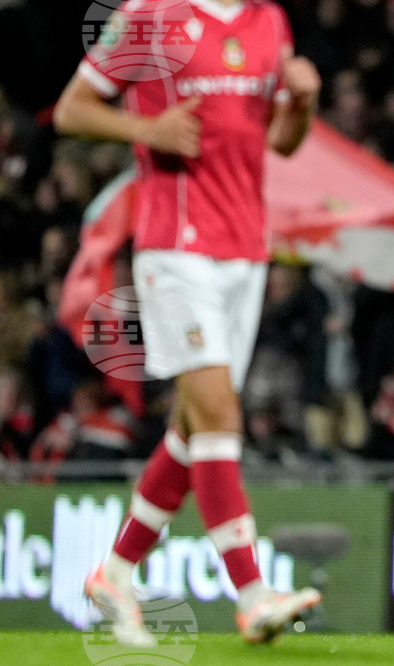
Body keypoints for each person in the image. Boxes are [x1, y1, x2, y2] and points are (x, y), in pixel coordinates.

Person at [53, 0, 322, 646]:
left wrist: (305, 103)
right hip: (176, 248)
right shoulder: (149, 15)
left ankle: (115, 573)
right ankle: (253, 595)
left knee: (193, 425)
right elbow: (71, 110)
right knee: (220, 413)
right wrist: (148, 131)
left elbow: (280, 140)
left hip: (246, 250)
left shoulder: (269, 20)